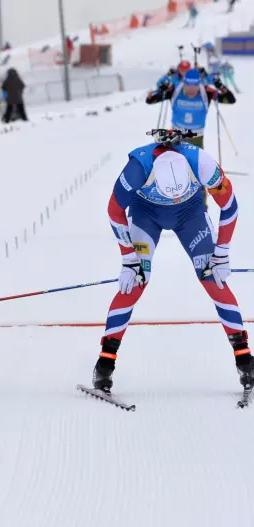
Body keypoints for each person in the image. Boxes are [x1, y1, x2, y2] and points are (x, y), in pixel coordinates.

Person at [91, 128, 250, 394]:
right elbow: (114, 211)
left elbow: (230, 206)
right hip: (146, 215)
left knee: (213, 277)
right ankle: (105, 363)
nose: (172, 196)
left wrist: (222, 252)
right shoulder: (137, 168)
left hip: (190, 215)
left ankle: (245, 360)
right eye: (169, 193)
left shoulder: (202, 163)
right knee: (136, 282)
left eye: (177, 192)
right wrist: (128, 258)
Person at [147, 68, 236, 149]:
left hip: (196, 138)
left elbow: (231, 99)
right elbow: (150, 100)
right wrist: (160, 90)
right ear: (184, 82)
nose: (191, 89)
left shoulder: (206, 92)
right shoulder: (175, 90)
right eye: (188, 85)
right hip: (176, 136)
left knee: (195, 165)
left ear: (199, 83)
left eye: (195, 85)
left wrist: (221, 87)